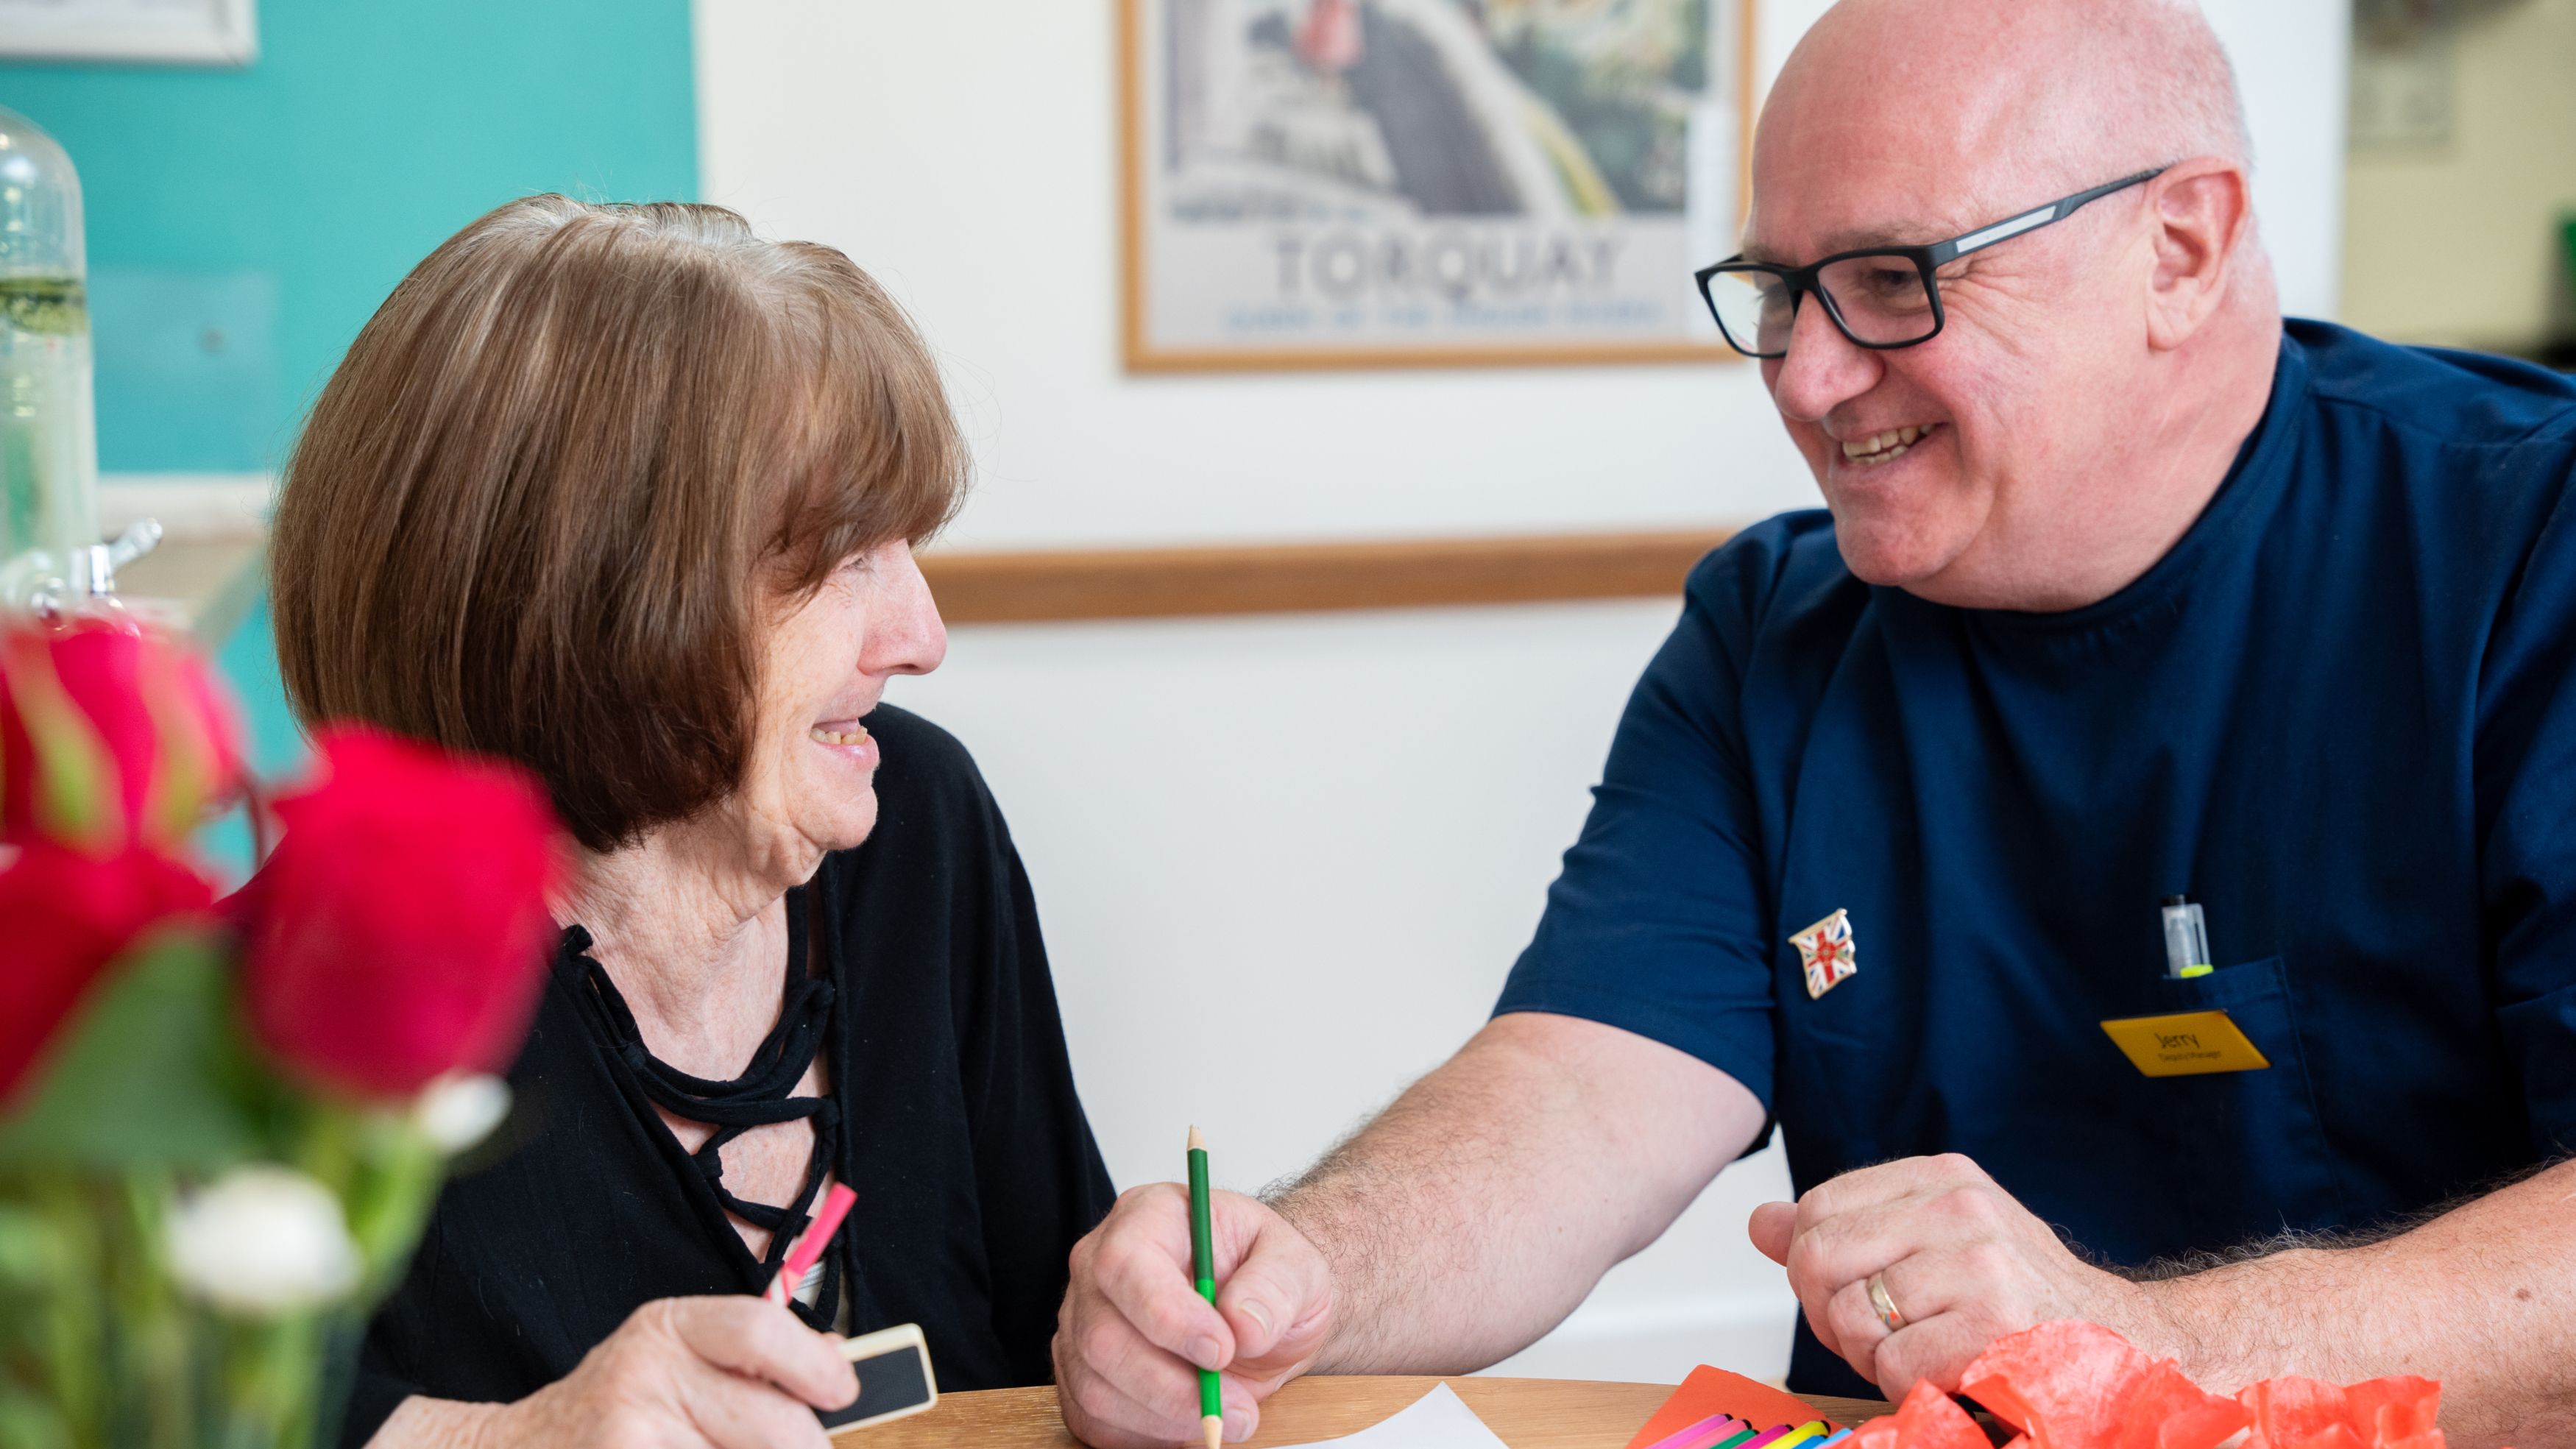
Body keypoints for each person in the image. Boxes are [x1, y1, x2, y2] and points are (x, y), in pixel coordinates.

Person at [1050, 1, 2576, 1445]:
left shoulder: (2525, 547)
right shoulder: (1773, 628)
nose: (1808, 373)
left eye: (1896, 278)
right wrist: (1301, 1275)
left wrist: (2119, 1342)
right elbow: (1579, 1096)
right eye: (1780, 291)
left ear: (2178, 248)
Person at [263, 196, 1117, 1449]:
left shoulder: (913, 826)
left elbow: (1061, 1318)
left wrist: (1132, 1313)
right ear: (592, 591)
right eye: (840, 558)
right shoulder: (291, 994)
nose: (923, 637)